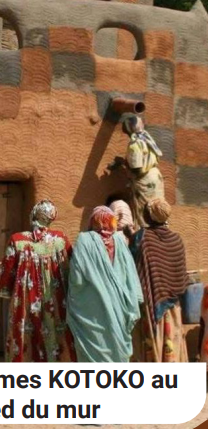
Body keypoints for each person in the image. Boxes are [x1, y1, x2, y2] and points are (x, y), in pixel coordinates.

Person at [0, 200, 76, 362]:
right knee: (54, 325)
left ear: (35, 214)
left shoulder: (18, 240)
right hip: (55, 296)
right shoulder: (60, 240)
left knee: (26, 326)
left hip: (25, 297)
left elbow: (7, 269)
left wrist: (5, 290)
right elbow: (73, 265)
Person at [67, 206, 143, 362]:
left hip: (92, 310)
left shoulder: (84, 240)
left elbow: (77, 279)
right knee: (117, 350)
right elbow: (130, 273)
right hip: (120, 306)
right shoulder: (120, 242)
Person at [130, 199, 189, 362]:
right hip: (173, 304)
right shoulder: (177, 239)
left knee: (151, 345)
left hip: (151, 303)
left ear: (150, 217)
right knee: (173, 343)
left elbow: (132, 263)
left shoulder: (141, 238)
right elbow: (182, 276)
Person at [119, 114, 164, 228]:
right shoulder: (146, 139)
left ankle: (146, 239)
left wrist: (123, 165)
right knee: (158, 209)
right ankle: (162, 236)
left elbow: (137, 169)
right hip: (156, 177)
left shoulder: (135, 144)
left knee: (145, 214)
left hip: (145, 181)